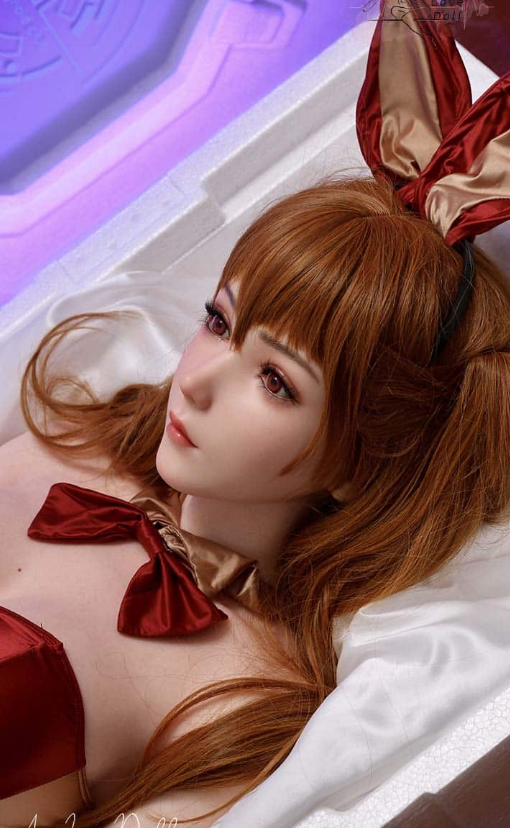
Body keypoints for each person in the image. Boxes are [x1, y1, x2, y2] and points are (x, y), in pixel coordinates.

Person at [2, 4, 510, 826]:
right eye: (218, 322)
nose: (197, 382)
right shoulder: (67, 444)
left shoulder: (247, 701)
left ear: (360, 463)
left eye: (276, 381)